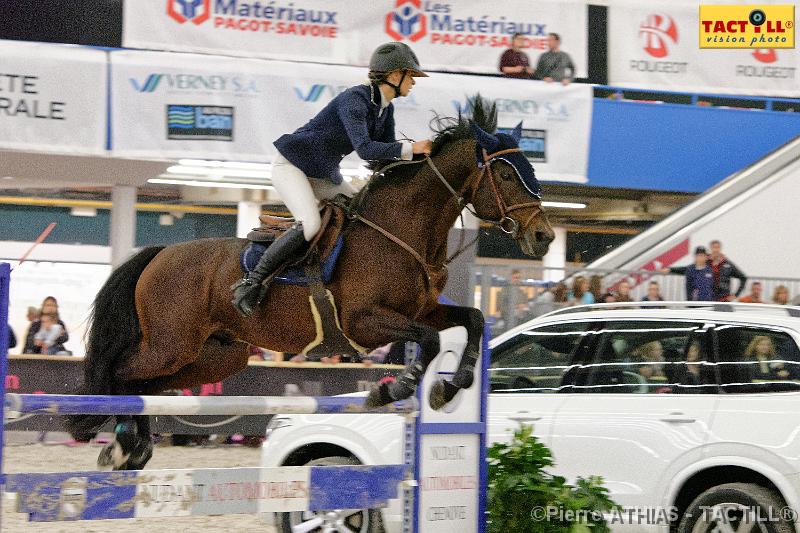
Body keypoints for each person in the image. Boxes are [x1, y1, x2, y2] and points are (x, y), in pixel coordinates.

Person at [231, 42, 431, 316]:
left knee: (363, 215)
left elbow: (378, 160)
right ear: (394, 76)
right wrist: (411, 148)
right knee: (311, 224)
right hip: (292, 166)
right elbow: (365, 149)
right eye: (411, 76)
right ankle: (251, 281)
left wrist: (423, 163)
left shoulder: (387, 110)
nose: (414, 82)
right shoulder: (355, 100)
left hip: (324, 173)